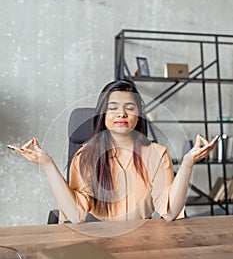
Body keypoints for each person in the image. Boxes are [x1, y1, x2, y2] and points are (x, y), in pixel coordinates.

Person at [7, 79, 219, 223]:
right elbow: (76, 215)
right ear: (102, 114)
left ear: (139, 116)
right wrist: (48, 164)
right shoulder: (85, 155)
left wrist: (188, 163)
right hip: (95, 241)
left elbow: (171, 212)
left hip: (142, 240)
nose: (122, 114)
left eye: (129, 108)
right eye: (113, 107)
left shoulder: (156, 153)